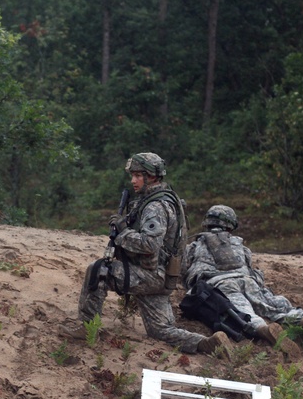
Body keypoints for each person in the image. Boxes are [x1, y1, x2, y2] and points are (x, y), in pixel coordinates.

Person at [64, 152, 229, 355]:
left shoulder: (154, 206)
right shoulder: (167, 198)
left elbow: (149, 244)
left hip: (149, 274)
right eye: (132, 175)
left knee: (99, 270)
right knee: (161, 330)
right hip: (162, 275)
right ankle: (205, 343)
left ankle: (86, 327)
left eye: (138, 175)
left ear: (151, 176)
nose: (133, 180)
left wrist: (123, 232)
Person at [181, 205, 303, 352]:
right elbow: (251, 270)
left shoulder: (195, 246)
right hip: (248, 281)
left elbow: (185, 271)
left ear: (206, 224)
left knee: (244, 313)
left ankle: (265, 330)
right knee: (273, 305)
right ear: (230, 226)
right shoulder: (240, 246)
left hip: (220, 285)